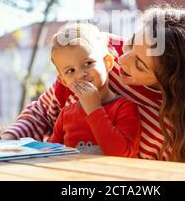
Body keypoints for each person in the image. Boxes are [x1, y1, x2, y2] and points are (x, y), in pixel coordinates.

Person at [0, 5, 185, 165]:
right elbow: (43, 112)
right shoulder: (95, 56)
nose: (122, 59)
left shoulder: (173, 125)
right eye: (132, 42)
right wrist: (4, 143)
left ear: (170, 82)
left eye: (140, 65)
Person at [47, 23, 140, 157]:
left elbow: (121, 155)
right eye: (70, 71)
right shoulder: (65, 114)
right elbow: (51, 155)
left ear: (107, 62)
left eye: (88, 63)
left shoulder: (124, 108)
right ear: (64, 82)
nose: (80, 74)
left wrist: (94, 110)